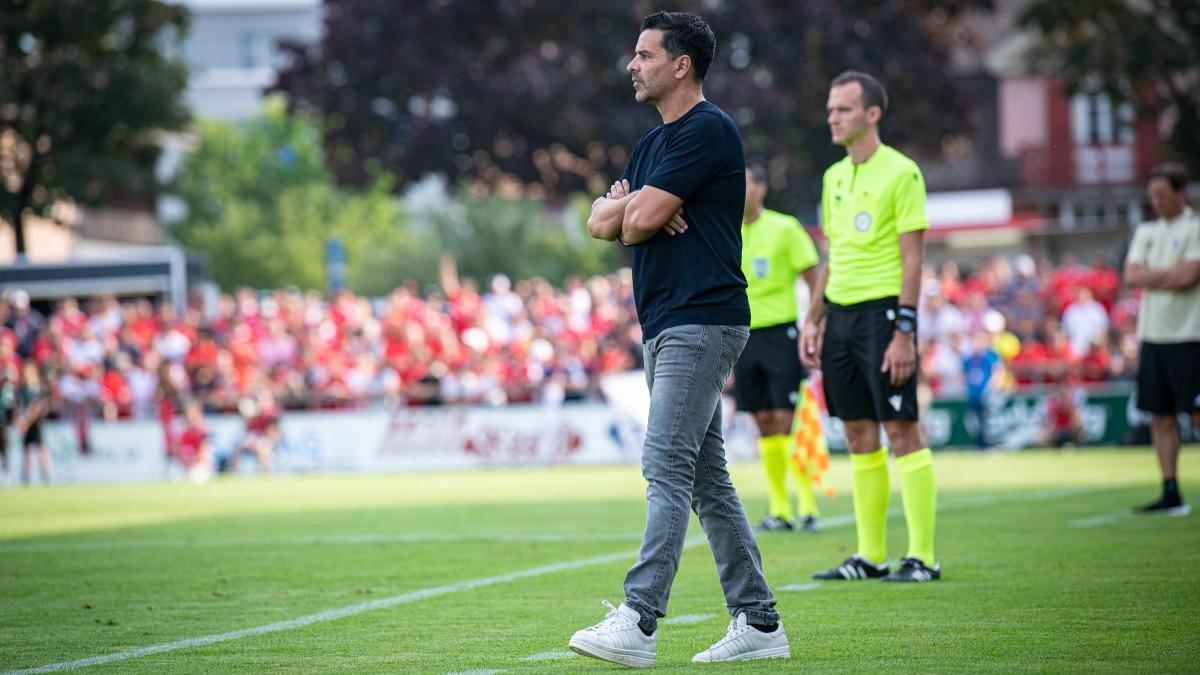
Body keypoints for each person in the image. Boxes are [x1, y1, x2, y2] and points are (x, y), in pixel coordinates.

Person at [570, 11, 788, 667]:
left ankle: (638, 621)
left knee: (663, 464)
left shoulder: (709, 130)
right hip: (667, 322)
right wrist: (631, 209)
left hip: (702, 316)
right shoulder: (649, 146)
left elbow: (631, 221)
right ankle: (759, 621)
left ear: (681, 64)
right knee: (706, 481)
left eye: (643, 55)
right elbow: (602, 221)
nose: (632, 66)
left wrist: (632, 211)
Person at [800, 71, 939, 582]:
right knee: (858, 432)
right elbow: (831, 257)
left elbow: (913, 262)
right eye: (831, 109)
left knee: (902, 430)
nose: (832, 117)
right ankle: (870, 555)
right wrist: (814, 319)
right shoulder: (833, 177)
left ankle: (923, 555)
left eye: (843, 110)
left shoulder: (903, 173)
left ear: (872, 114)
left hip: (884, 317)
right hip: (840, 317)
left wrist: (904, 331)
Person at [733, 163, 823, 532]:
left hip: (781, 333)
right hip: (742, 335)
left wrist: (814, 323)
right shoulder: (727, 232)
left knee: (787, 418)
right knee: (763, 421)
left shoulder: (785, 228)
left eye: (746, 183)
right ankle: (779, 508)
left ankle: (807, 505)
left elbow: (813, 274)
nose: (739, 191)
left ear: (761, 189)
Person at [1123, 162, 1200, 515]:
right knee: (1160, 415)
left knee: (1196, 413)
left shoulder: (1196, 227)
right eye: (1152, 195)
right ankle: (1170, 490)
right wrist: (1167, 275)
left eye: (1162, 194)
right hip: (1154, 335)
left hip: (1190, 334)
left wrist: (1152, 276)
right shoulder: (1146, 231)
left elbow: (1189, 276)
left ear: (1181, 192)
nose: (1156, 201)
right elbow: (1131, 275)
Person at [962, 329, 1002, 449]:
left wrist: (992, 388)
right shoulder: (969, 358)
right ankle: (979, 444)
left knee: (987, 420)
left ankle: (989, 443)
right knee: (975, 421)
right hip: (973, 394)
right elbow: (965, 376)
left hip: (986, 394)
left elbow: (997, 372)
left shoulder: (990, 356)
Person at [14, 362, 51, 485]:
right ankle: (26, 476)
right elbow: (18, 406)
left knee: (40, 447)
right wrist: (20, 420)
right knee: (26, 449)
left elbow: (36, 406)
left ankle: (45, 475)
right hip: (26, 422)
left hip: (35, 422)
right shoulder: (22, 389)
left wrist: (26, 421)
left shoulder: (37, 387)